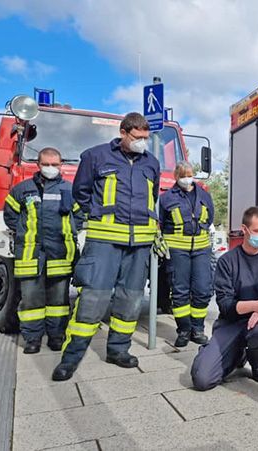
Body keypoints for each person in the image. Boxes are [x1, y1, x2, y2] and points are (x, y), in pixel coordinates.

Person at [52, 112, 160, 381]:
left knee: (130, 299)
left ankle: (118, 350)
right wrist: (98, 214)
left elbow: (153, 196)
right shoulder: (95, 156)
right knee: (93, 299)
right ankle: (71, 357)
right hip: (104, 242)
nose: (142, 143)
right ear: (123, 133)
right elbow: (81, 193)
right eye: (138, 137)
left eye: (146, 138)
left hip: (139, 244)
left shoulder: (152, 163)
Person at [4, 147, 83, 354]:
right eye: (46, 164)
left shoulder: (69, 189)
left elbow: (80, 217)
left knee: (59, 300)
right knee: (31, 300)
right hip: (30, 255)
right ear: (38, 165)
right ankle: (32, 339)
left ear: (60, 165)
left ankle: (56, 337)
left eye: (55, 164)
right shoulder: (23, 189)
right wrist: (24, 232)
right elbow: (10, 215)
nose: (50, 168)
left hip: (60, 255)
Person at [191, 207, 258, 391]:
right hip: (231, 323)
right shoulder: (227, 261)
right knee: (202, 380)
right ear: (244, 230)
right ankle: (232, 353)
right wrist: (255, 306)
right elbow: (225, 305)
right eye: (257, 231)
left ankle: (257, 363)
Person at [159, 161, 214, 347]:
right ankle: (183, 330)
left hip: (201, 249)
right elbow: (161, 222)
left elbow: (210, 218)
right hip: (177, 251)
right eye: (182, 175)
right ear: (176, 176)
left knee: (203, 289)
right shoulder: (167, 198)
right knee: (180, 291)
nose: (186, 178)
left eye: (189, 174)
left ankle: (197, 329)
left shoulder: (204, 196)